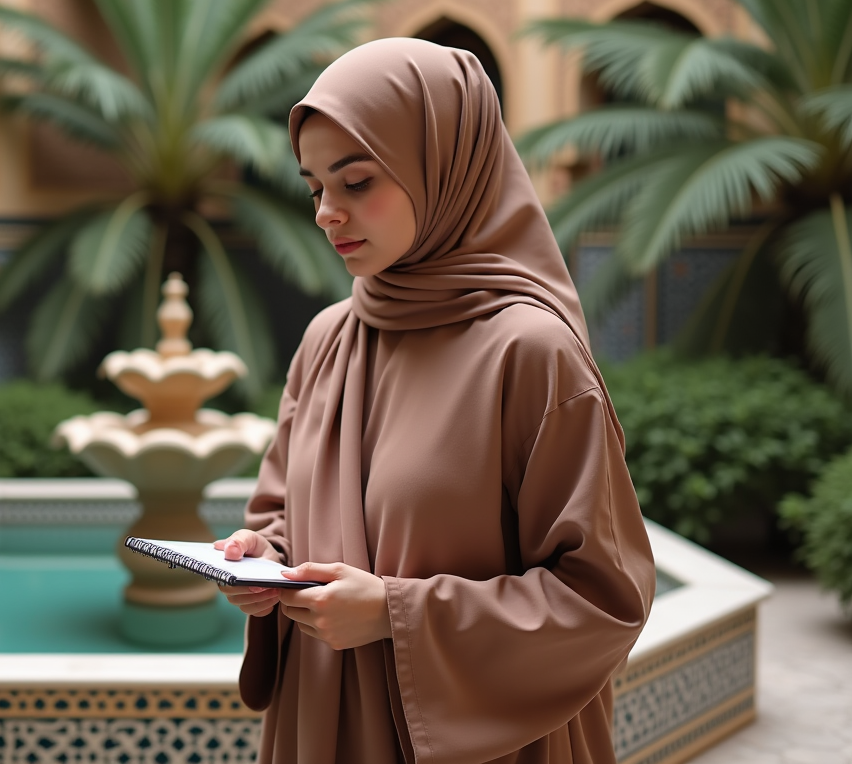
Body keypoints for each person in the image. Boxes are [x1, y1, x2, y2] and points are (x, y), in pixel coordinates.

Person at [213, 38, 656, 764]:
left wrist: (396, 616)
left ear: (446, 166)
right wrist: (264, 559)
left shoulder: (530, 354)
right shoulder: (329, 338)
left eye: (356, 182)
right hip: (323, 720)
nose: (328, 213)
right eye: (315, 187)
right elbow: (281, 514)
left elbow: (603, 601)